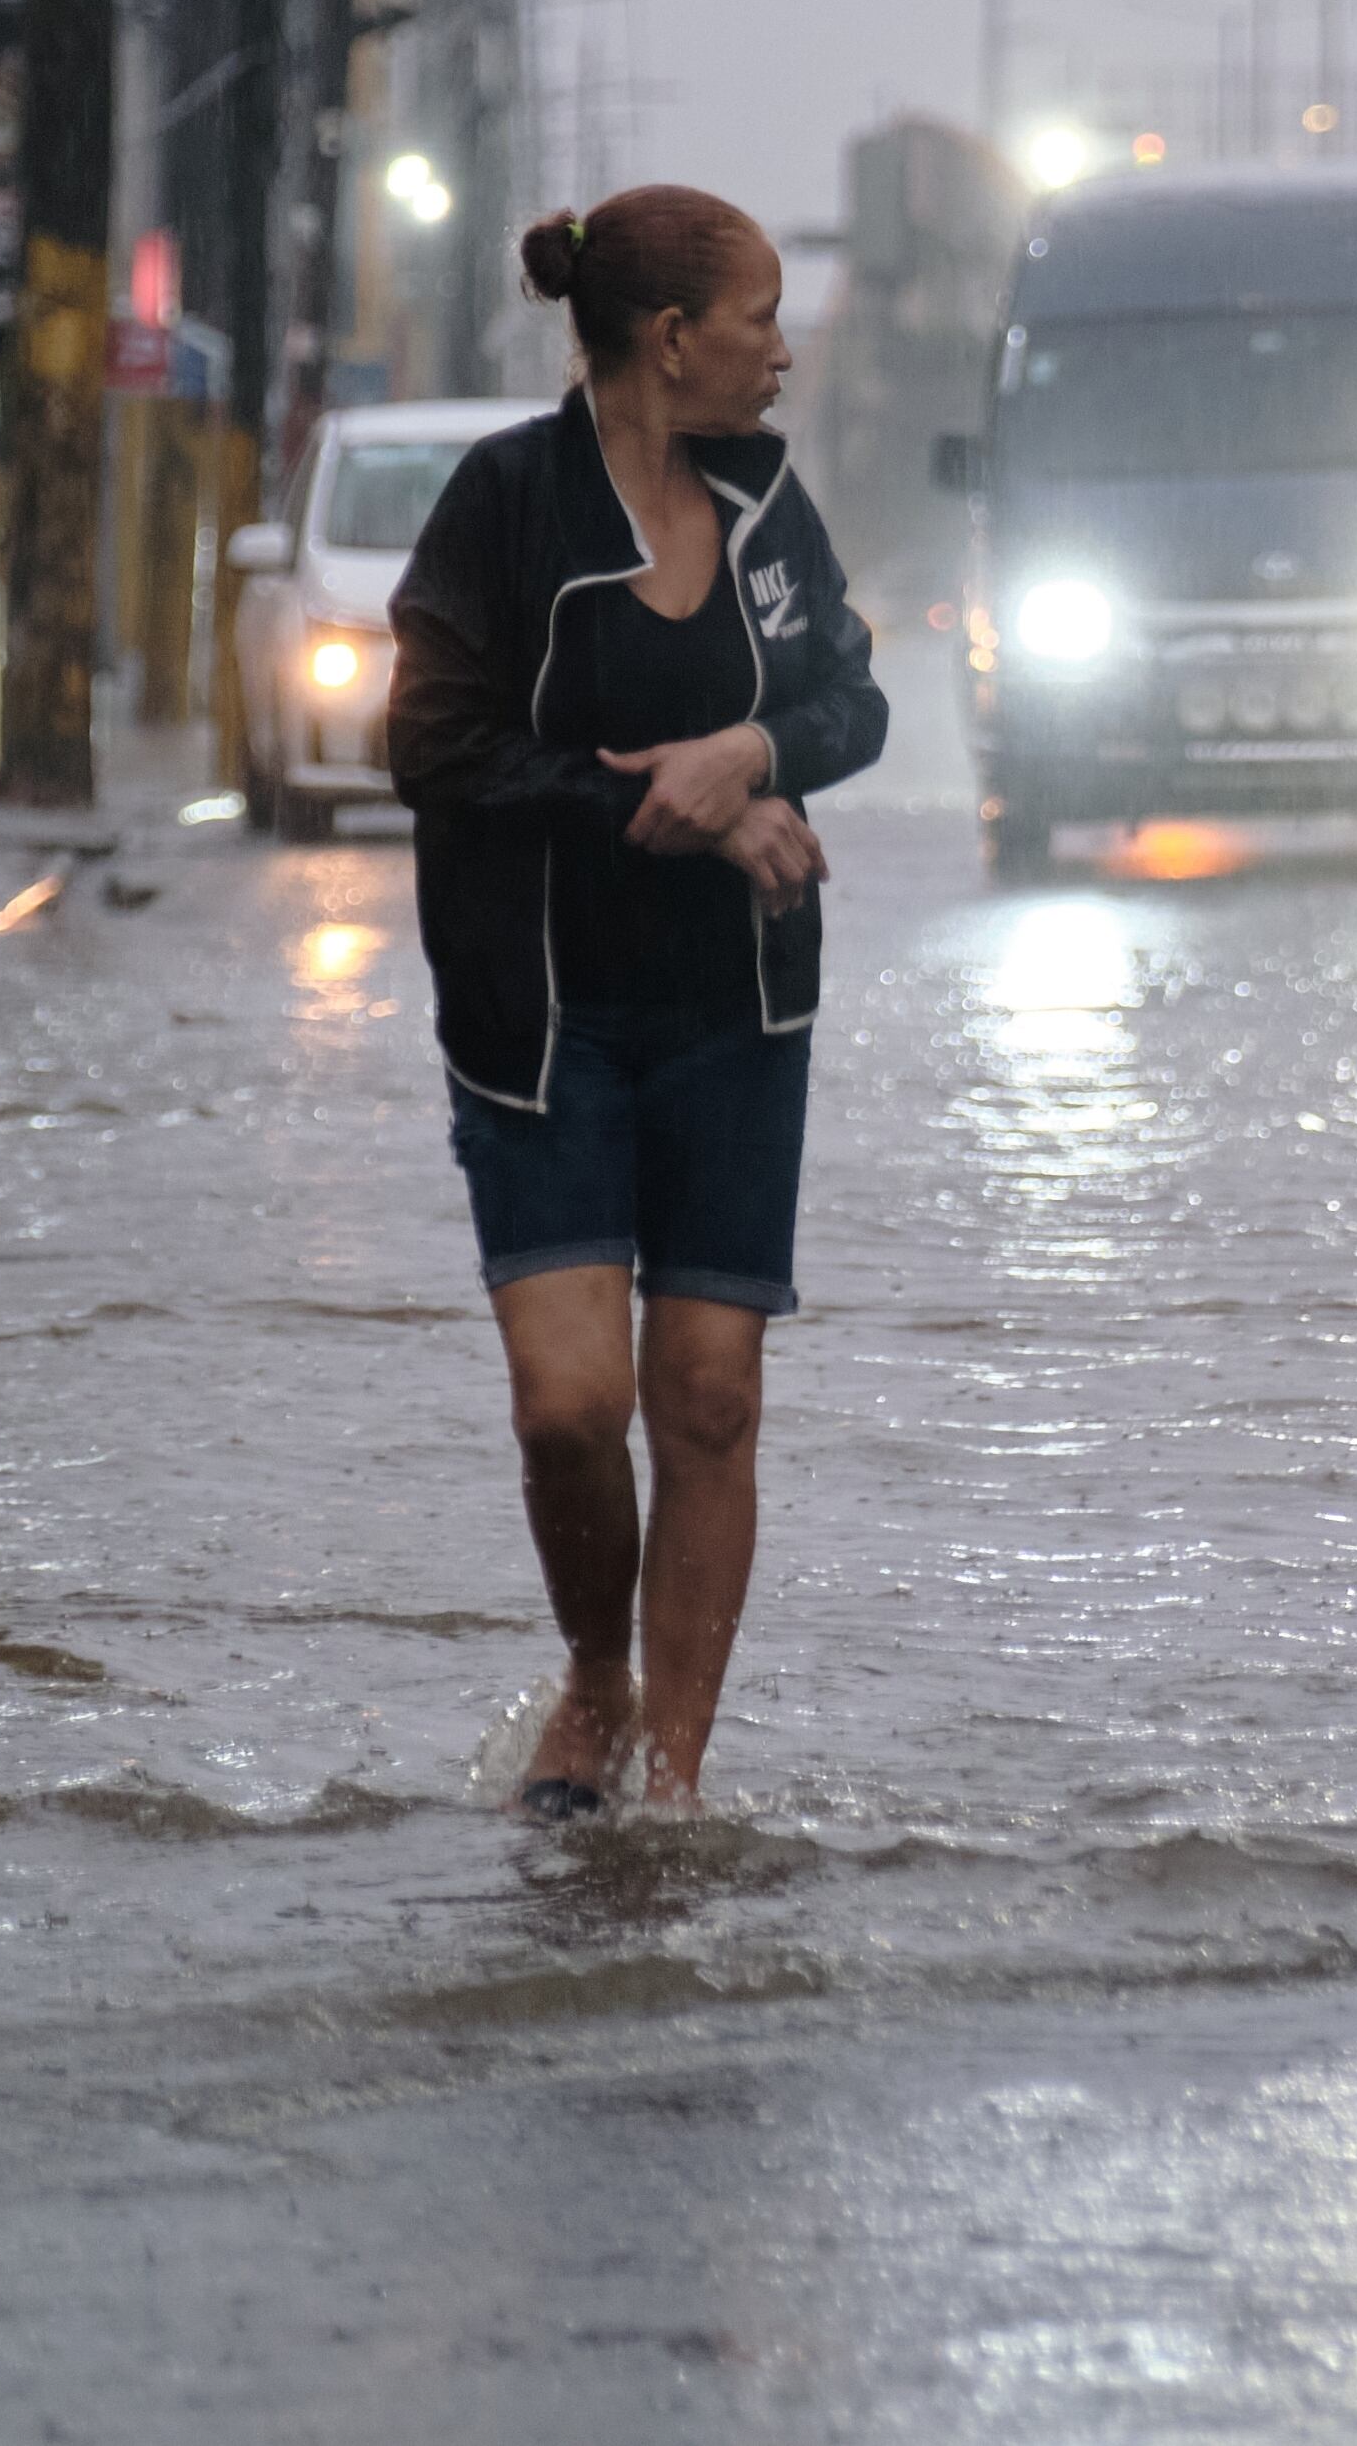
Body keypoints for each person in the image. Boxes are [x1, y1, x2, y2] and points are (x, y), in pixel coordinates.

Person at [384, 184, 888, 1818]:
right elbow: (432, 745)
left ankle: (669, 1788)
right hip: (542, 1025)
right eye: (761, 320)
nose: (782, 353)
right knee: (572, 1406)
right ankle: (595, 1671)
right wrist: (672, 806)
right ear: (671, 339)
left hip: (736, 1015)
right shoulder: (507, 501)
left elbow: (854, 698)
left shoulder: (765, 505)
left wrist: (755, 750)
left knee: (712, 1398)